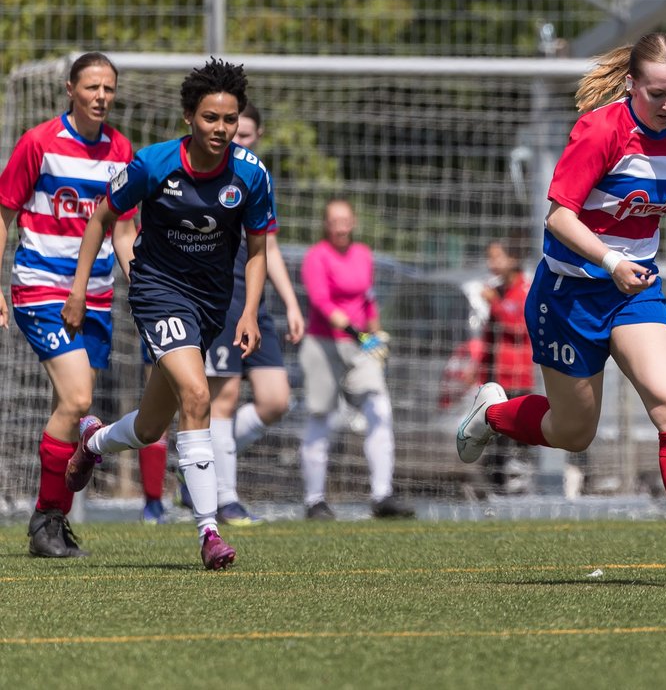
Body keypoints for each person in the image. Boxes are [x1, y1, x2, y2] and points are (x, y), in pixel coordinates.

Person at [455, 32, 666, 586]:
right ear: (632, 84)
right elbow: (557, 216)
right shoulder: (601, 130)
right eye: (658, 94)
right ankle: (492, 413)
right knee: (575, 432)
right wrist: (609, 260)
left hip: (635, 294)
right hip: (567, 295)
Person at [61, 57, 275, 570]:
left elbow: (260, 248)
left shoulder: (251, 174)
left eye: (229, 120)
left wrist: (248, 313)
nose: (221, 129)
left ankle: (91, 441)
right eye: (210, 119)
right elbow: (104, 217)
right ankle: (209, 530)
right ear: (188, 118)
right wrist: (80, 287)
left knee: (154, 426)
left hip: (209, 304)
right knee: (198, 395)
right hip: (158, 292)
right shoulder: (154, 164)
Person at [0, 52, 138, 558]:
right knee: (80, 400)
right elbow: (4, 215)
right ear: (70, 90)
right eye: (92, 87)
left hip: (97, 294)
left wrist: (138, 283)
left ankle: (50, 525)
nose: (101, 96)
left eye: (108, 89)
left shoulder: (122, 149)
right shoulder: (38, 143)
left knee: (70, 406)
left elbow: (124, 229)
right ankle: (47, 519)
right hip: (40, 287)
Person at [179, 100, 305, 525]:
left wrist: (289, 301)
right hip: (223, 300)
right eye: (233, 129)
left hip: (257, 305)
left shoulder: (256, 178)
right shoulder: (208, 174)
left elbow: (266, 248)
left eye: (245, 131)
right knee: (225, 398)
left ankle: (201, 459)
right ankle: (223, 496)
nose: (236, 136)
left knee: (275, 400)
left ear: (256, 136)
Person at [297, 198, 414, 521]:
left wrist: (376, 336)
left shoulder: (363, 255)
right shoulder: (316, 257)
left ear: (353, 222)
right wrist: (356, 333)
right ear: (325, 224)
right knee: (321, 417)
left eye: (345, 219)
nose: (340, 225)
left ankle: (382, 495)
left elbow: (368, 300)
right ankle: (314, 500)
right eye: (334, 219)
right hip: (324, 344)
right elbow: (321, 302)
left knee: (379, 409)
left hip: (360, 344)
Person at [478, 235, 535, 494]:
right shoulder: (499, 290)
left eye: (496, 256)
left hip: (519, 377)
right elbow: (491, 335)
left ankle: (521, 481)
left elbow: (520, 326)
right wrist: (480, 370)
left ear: (513, 259)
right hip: (499, 376)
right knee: (495, 433)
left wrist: (495, 304)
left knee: (518, 433)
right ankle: (496, 485)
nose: (491, 262)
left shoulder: (524, 290)